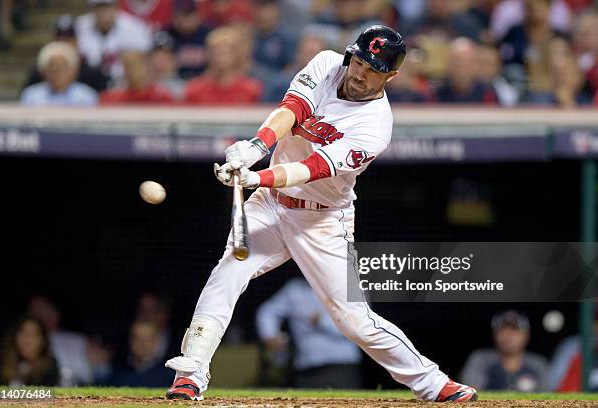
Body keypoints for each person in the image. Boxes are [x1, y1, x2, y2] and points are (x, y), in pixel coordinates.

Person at [164, 24, 477, 402]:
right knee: (227, 274)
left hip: (323, 219)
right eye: (359, 61)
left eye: (373, 69)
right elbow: (291, 110)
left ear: (391, 76)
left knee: (355, 321)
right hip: (271, 205)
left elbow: (313, 167)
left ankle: (433, 383)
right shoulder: (328, 64)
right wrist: (253, 148)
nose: (360, 73)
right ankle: (191, 373)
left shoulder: (375, 126)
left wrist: (256, 177)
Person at [256, 277, 362, 388]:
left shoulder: (348, 285)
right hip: (306, 367)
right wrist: (270, 334)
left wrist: (323, 321)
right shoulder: (294, 289)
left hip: (341, 365)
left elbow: (359, 327)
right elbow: (267, 311)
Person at [460, 310, 549, 392]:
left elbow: (548, 398)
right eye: (502, 330)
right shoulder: (480, 359)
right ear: (494, 334)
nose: (508, 336)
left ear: (526, 335)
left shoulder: (538, 364)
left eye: (515, 330)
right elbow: (470, 395)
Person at [22, 14, 109, 93]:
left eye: (68, 38)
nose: (63, 42)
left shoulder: (92, 73)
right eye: (59, 37)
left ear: (76, 41)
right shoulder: (39, 72)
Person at [182, 26, 263, 105]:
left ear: (236, 55)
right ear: (208, 55)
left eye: (226, 53)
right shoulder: (194, 90)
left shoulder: (252, 90)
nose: (221, 58)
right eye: (216, 53)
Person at [27, 296, 95, 386]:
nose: (43, 315)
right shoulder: (25, 340)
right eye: (38, 311)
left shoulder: (77, 339)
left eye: (47, 309)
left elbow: (94, 373)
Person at [75, 0, 152, 80]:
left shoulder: (135, 27)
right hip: (88, 81)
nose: (103, 12)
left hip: (123, 82)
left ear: (116, 7)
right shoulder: (78, 26)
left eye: (107, 7)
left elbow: (143, 61)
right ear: (91, 9)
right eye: (99, 7)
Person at [20, 42, 99, 106]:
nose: (56, 72)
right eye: (51, 68)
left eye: (62, 67)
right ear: (42, 71)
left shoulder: (87, 96)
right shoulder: (31, 96)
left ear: (74, 71)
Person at [95, 321, 172, 387]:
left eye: (147, 339)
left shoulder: (168, 375)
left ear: (156, 342)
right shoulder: (117, 372)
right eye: (138, 338)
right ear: (130, 341)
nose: (142, 344)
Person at [434, 37, 498, 104]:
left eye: (467, 62)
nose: (462, 67)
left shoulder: (488, 94)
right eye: (457, 61)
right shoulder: (436, 95)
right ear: (449, 64)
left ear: (476, 64)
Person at [0, 317, 60, 386]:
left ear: (43, 341)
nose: (27, 341)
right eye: (23, 333)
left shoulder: (49, 368)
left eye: (34, 335)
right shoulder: (3, 364)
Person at [100, 50, 175, 104]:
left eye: (134, 66)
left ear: (145, 67)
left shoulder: (161, 96)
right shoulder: (114, 97)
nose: (130, 71)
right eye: (126, 67)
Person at [165, 0, 211, 79]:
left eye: (186, 15)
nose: (182, 20)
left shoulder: (209, 34)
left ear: (197, 15)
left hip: (204, 81)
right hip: (174, 82)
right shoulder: (167, 34)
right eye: (178, 16)